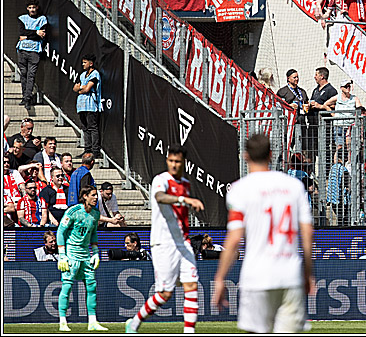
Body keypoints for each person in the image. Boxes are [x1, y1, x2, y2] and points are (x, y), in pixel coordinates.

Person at [213, 134, 314, 334]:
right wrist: (308, 272)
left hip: (257, 276)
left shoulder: (239, 190)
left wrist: (220, 277)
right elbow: (307, 233)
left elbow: (235, 238)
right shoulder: (293, 186)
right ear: (270, 155)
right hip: (289, 275)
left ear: (245, 156)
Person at [126, 146, 205, 334]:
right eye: (171, 161)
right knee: (165, 294)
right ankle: (134, 322)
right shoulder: (160, 180)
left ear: (184, 163)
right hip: (163, 243)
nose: (174, 165)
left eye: (178, 161)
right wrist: (185, 200)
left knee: (191, 286)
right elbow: (160, 197)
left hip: (183, 242)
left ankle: (189, 332)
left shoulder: (185, 183)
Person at [56, 185, 105, 331]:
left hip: (85, 254)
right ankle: (63, 322)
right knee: (67, 286)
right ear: (85, 196)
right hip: (71, 253)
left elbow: (93, 233)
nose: (96, 198)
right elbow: (60, 232)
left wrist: (95, 252)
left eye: (96, 195)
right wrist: (62, 255)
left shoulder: (95, 214)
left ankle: (92, 322)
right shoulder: (73, 211)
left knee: (92, 286)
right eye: (93, 195)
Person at [17, 0, 47, 106]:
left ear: (37, 8)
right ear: (27, 8)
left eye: (34, 7)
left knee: (31, 75)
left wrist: (27, 36)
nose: (32, 10)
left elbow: (42, 35)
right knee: (23, 73)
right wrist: (36, 32)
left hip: (34, 51)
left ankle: (27, 98)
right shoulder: (22, 18)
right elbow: (22, 32)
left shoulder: (42, 19)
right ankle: (24, 96)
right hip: (22, 50)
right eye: (30, 8)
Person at [73, 54, 102, 157]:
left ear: (91, 63)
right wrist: (82, 87)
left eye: (85, 62)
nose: (83, 64)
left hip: (91, 105)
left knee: (92, 128)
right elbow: (75, 88)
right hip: (81, 105)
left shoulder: (95, 74)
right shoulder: (82, 75)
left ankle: (95, 151)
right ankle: (87, 150)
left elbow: (87, 89)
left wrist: (81, 88)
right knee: (85, 128)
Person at [276, 69, 309, 156]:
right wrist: (289, 106)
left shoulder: (302, 91)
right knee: (287, 147)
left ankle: (301, 163)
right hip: (289, 125)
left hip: (301, 123)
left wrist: (308, 106)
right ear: (288, 78)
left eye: (297, 77)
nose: (297, 79)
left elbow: (306, 102)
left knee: (303, 147)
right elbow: (277, 107)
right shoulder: (282, 92)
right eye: (294, 77)